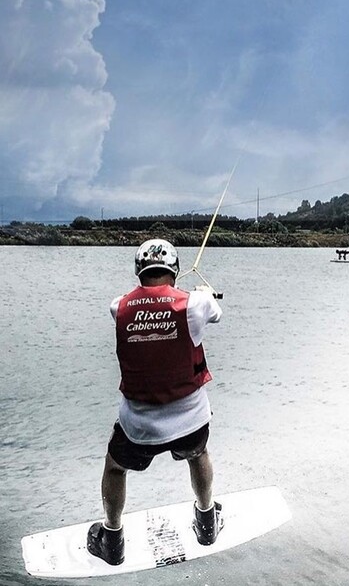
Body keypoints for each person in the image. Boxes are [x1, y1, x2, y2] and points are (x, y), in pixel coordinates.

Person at [87, 239, 223, 565]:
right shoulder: (196, 304)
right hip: (190, 420)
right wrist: (204, 293)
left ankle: (113, 540)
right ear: (174, 270)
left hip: (139, 426)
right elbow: (214, 313)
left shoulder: (118, 306)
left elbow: (147, 307)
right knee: (198, 453)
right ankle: (206, 523)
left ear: (138, 271)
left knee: (115, 468)